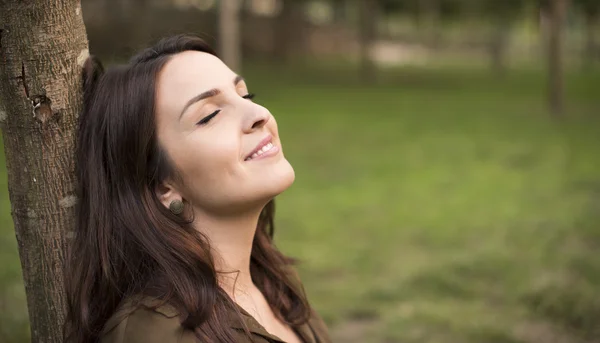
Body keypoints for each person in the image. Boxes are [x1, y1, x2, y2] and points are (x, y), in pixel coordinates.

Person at [65, 34, 331, 343]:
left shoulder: (273, 283)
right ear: (162, 185)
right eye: (209, 115)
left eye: (245, 96)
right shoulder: (154, 334)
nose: (259, 114)